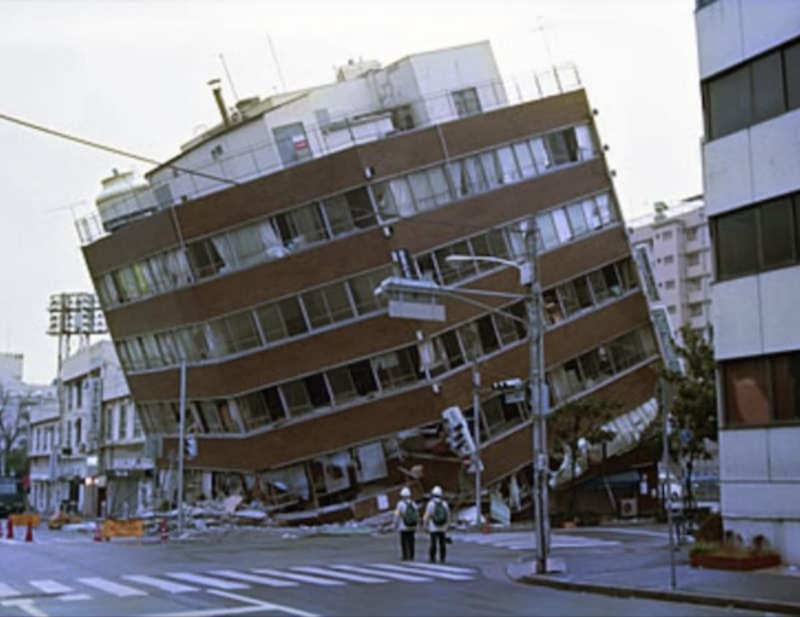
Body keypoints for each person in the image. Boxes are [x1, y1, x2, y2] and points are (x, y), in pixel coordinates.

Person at [423, 485, 450, 563]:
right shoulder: (445, 504)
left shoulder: (430, 504)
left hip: (433, 527)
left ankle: (432, 558)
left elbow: (427, 515)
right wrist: (447, 524)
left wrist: (424, 524)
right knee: (442, 543)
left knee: (433, 543)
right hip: (442, 527)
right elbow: (448, 515)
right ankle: (442, 558)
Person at [393, 487, 419, 561]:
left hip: (403, 526)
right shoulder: (413, 504)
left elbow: (396, 515)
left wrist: (395, 524)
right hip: (412, 526)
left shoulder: (400, 504)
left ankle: (405, 555)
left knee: (404, 542)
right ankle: (412, 555)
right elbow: (417, 514)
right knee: (411, 541)